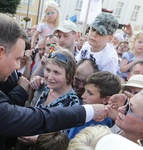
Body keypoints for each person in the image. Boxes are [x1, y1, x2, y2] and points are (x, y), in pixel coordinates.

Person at [0, 12, 109, 150]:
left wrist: (38, 138)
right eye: (17, 59)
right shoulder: (42, 88)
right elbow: (35, 116)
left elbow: (62, 137)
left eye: (57, 72)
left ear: (69, 75)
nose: (17, 66)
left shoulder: (71, 100)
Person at [68, 72, 121, 139]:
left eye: (90, 93)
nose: (83, 96)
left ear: (106, 99)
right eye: (85, 90)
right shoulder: (83, 110)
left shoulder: (101, 125)